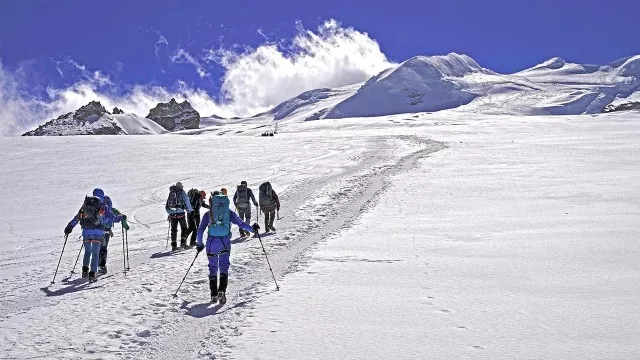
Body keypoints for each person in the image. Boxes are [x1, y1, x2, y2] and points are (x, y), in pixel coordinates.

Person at [196, 191, 258, 304]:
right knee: (224, 267)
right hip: (224, 242)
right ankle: (222, 291)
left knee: (212, 267)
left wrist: (199, 244)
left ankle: (213, 294)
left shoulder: (208, 214)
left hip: (211, 243)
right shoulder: (228, 212)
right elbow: (241, 224)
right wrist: (253, 229)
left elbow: (200, 231)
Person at [64, 188, 116, 281]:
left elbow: (77, 217)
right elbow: (112, 218)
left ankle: (85, 271)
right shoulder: (103, 205)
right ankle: (92, 274)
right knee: (95, 253)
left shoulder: (86, 204)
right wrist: (121, 218)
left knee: (87, 252)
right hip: (98, 233)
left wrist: (70, 226)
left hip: (86, 232)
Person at [98, 195, 127, 274]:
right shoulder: (110, 210)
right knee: (103, 248)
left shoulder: (97, 208)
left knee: (97, 247)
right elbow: (116, 217)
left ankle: (95, 266)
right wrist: (122, 218)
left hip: (96, 230)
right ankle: (101, 266)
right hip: (106, 231)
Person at [165, 182, 194, 251]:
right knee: (184, 228)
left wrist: (170, 212)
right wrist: (190, 210)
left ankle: (174, 246)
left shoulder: (171, 192)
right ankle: (183, 243)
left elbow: (167, 205)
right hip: (181, 214)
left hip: (172, 215)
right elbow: (187, 201)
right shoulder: (182, 192)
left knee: (174, 230)